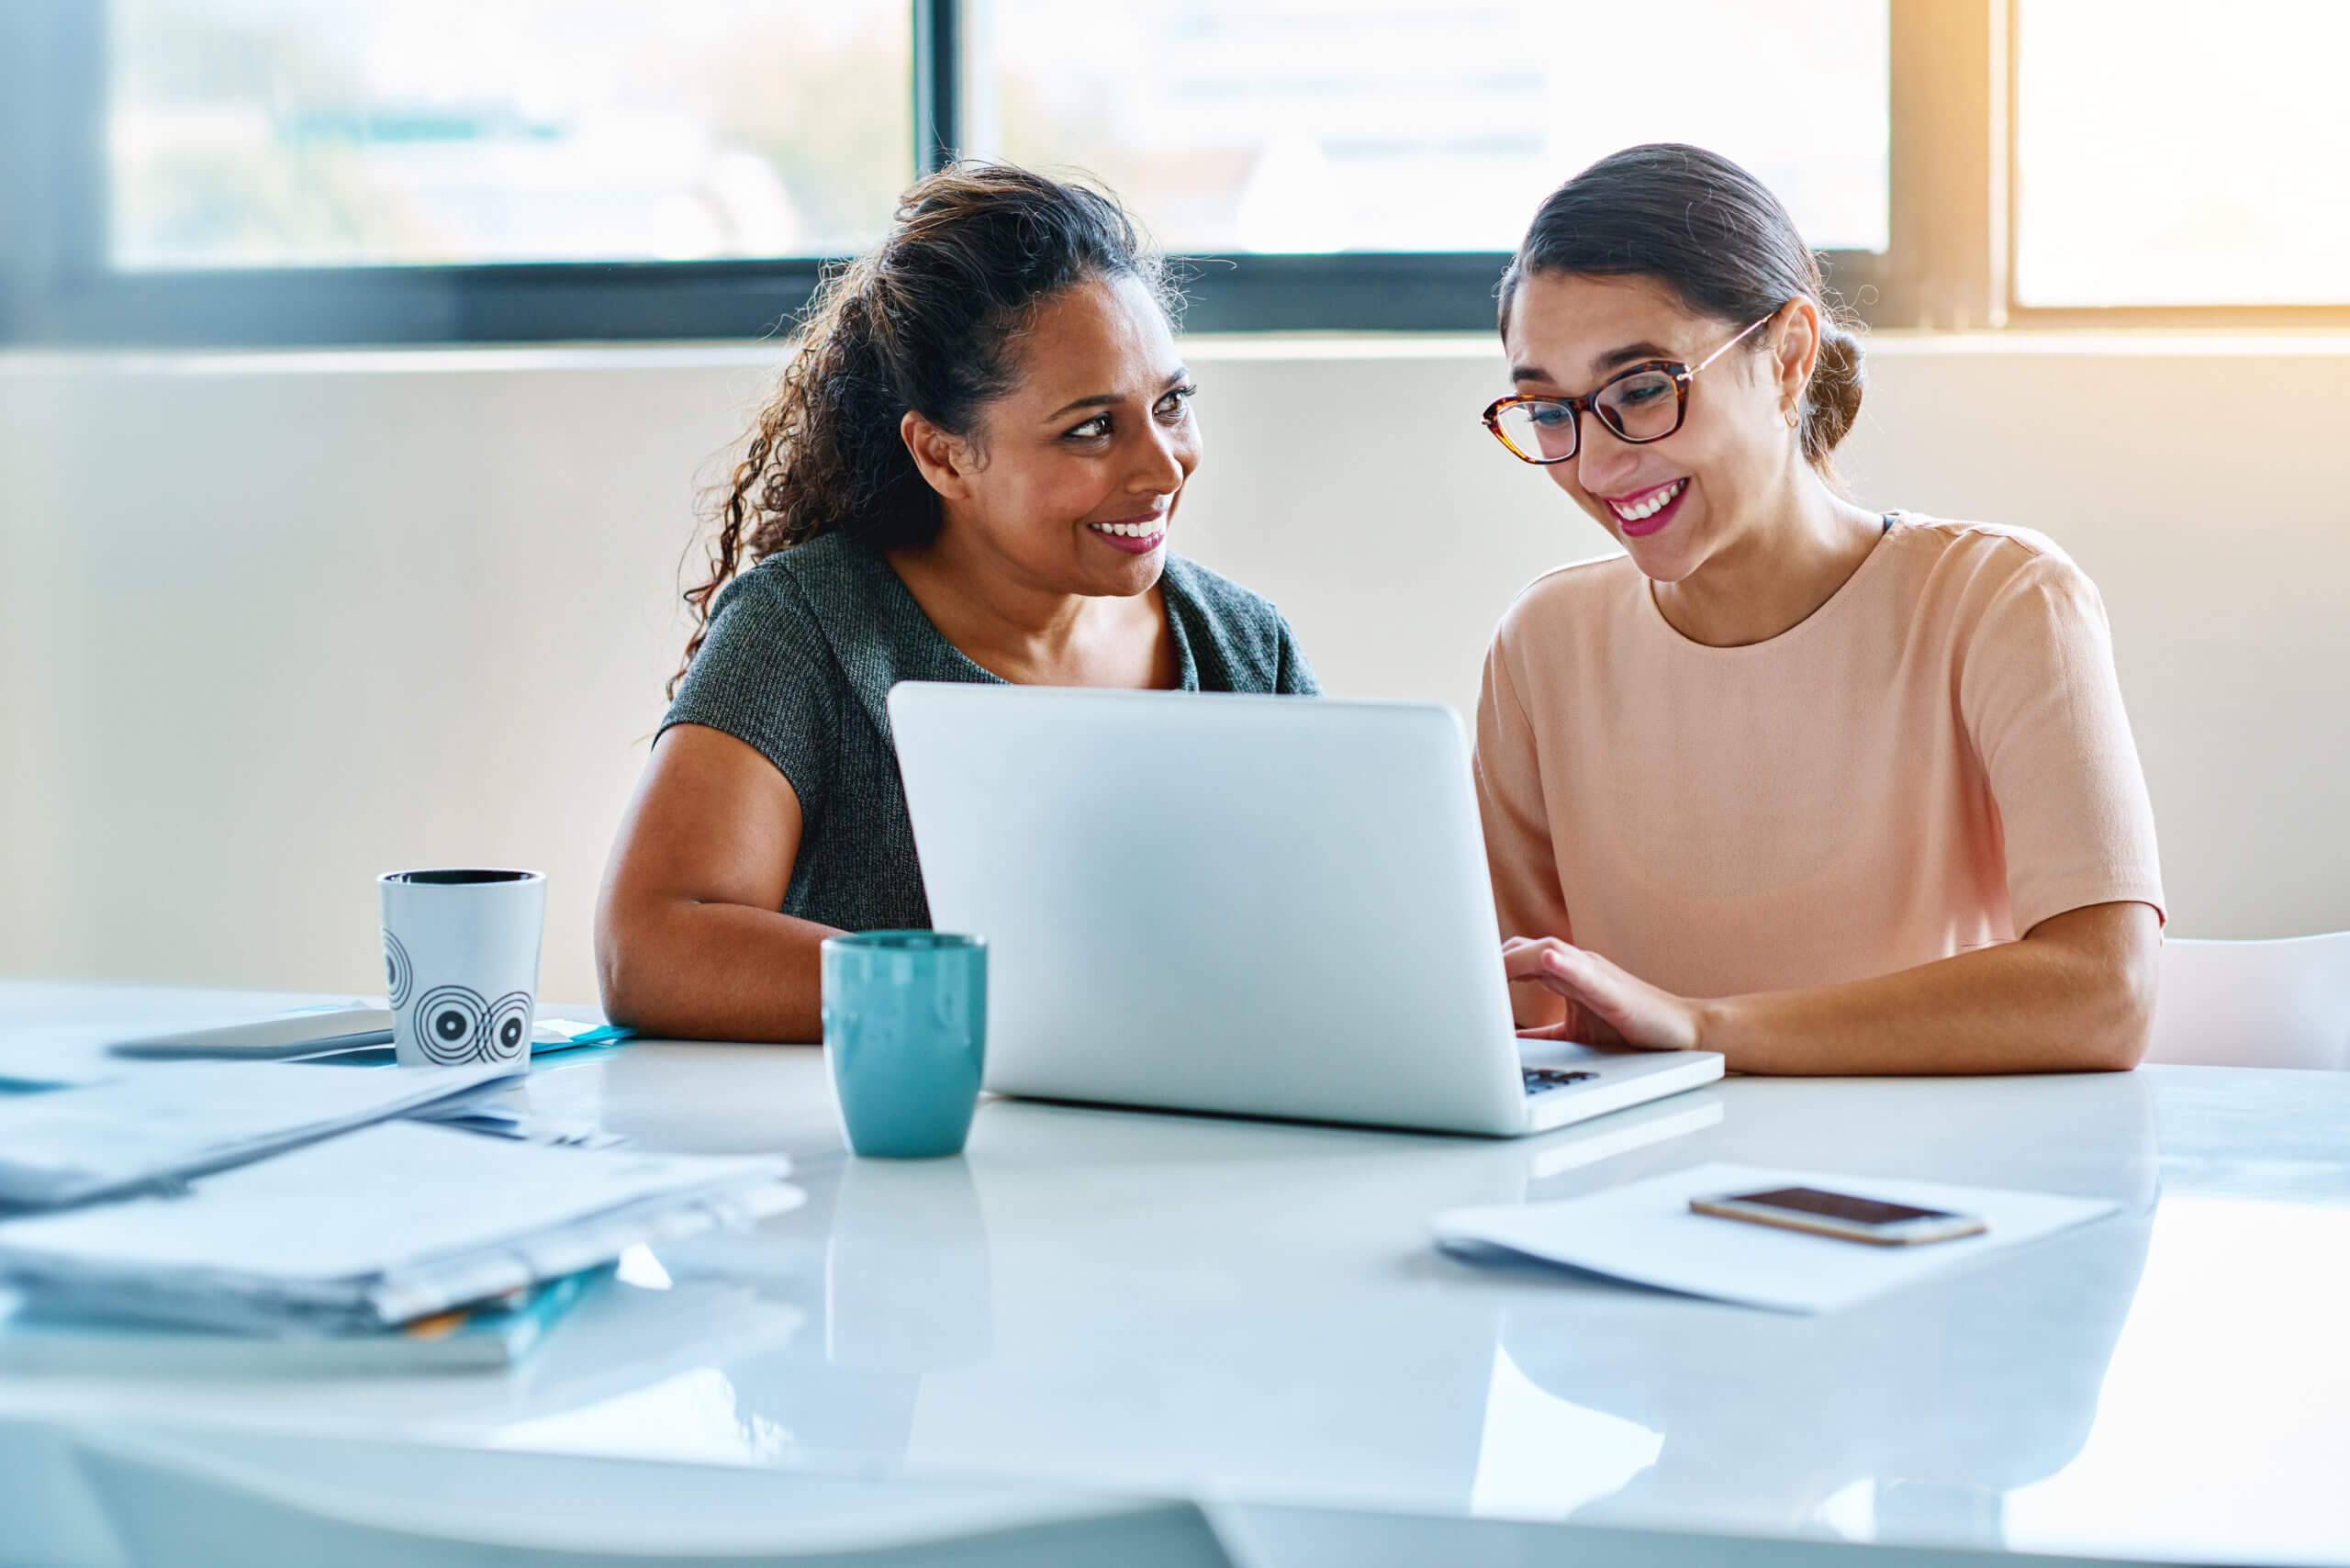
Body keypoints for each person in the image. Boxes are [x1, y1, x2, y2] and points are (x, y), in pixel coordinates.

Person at [1474, 144, 2163, 1074]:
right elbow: (1507, 1017)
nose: (1594, 467)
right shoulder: (1544, 645)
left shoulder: (2001, 601)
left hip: (1941, 1193)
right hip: (1631, 1199)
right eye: (1549, 411)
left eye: (1640, 390)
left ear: (1789, 355)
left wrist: (1705, 1032)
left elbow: (2105, 994)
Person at [598, 163, 1318, 1043]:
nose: (1162, 466)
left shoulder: (1243, 645)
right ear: (943, 457)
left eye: (1170, 404)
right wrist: (1000, 997)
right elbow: (651, 948)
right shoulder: (808, 626)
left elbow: (1327, 937)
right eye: (1092, 428)